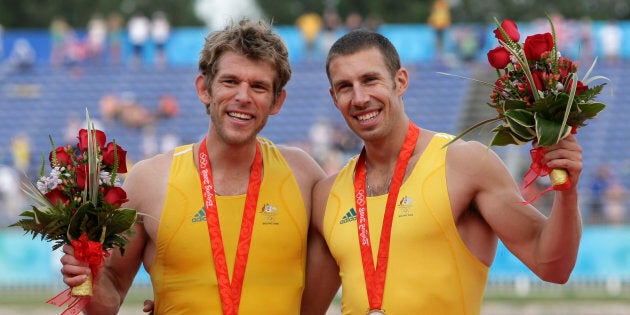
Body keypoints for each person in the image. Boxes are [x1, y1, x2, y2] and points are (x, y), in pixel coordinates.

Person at [301, 30, 583, 314]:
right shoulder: (328, 195)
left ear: (400, 82)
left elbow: (553, 266)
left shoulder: (464, 164)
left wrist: (568, 193)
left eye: (370, 80)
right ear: (334, 97)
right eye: (345, 87)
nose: (359, 98)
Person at [60, 18, 326, 314]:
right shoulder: (150, 181)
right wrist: (86, 280)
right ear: (204, 89)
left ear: (277, 101)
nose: (243, 96)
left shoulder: (305, 176)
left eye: (259, 86)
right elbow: (110, 289)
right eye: (230, 81)